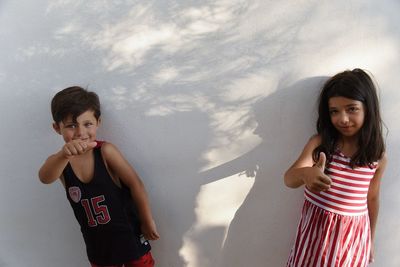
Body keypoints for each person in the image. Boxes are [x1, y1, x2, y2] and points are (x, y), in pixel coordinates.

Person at [39, 86, 159, 267]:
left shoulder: (105, 151)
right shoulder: (60, 162)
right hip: (98, 246)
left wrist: (147, 220)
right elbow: (45, 177)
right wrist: (64, 155)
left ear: (98, 122)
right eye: (71, 126)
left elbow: (136, 185)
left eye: (87, 124)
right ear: (57, 128)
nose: (80, 132)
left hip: (130, 237)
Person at [284, 69, 387, 267]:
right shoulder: (320, 144)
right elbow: (289, 178)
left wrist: (371, 241)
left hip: (351, 243)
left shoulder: (377, 157)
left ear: (368, 108)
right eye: (334, 111)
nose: (343, 119)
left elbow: (372, 199)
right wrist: (306, 174)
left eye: (351, 109)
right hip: (315, 239)